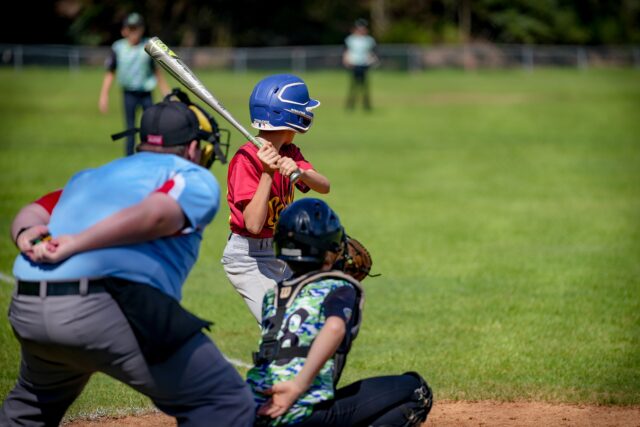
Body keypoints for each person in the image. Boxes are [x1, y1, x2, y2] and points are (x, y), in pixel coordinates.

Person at [0, 91, 254, 427]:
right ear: (194, 148)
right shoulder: (193, 177)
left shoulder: (95, 175)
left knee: (30, 408)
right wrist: (78, 242)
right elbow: (156, 215)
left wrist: (26, 235)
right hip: (104, 304)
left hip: (29, 306)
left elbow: (33, 211)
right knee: (225, 401)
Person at [247, 198, 433, 426]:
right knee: (416, 389)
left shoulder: (274, 294)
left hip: (255, 410)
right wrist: (298, 386)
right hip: (301, 413)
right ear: (329, 248)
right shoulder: (338, 287)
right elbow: (334, 328)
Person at [221, 74, 330, 323]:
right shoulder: (245, 159)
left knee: (310, 319)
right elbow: (253, 225)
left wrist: (300, 172)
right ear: (289, 116)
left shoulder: (289, 152)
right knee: (282, 327)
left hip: (281, 251)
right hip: (248, 257)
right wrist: (267, 174)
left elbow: (324, 187)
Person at [98, 12, 170, 156]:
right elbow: (110, 72)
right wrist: (104, 95)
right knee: (130, 128)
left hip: (146, 94)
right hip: (129, 94)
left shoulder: (147, 47)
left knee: (151, 128)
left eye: (137, 28)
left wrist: (166, 92)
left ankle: (150, 156)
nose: (134, 32)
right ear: (125, 30)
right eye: (131, 28)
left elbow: (156, 72)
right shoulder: (118, 48)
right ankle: (129, 159)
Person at [342, 18, 379, 111]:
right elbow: (346, 51)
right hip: (354, 65)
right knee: (353, 86)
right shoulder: (350, 39)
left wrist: (373, 60)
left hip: (364, 65)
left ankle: (366, 105)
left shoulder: (369, 40)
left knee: (365, 87)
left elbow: (372, 53)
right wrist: (346, 60)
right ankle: (350, 105)